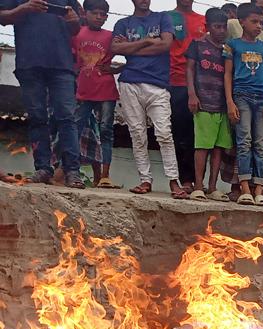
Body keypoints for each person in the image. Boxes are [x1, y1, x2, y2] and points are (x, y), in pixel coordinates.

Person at [0, 0, 84, 188]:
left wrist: (73, 21)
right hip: (29, 63)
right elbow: (2, 17)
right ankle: (43, 168)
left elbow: (76, 28)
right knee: (38, 117)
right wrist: (24, 8)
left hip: (62, 65)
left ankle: (72, 171)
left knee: (67, 118)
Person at [112, 0, 184, 197]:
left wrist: (132, 49)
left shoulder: (162, 17)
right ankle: (145, 180)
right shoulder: (123, 23)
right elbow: (116, 49)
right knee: (137, 133)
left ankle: (173, 181)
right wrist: (146, 42)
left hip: (158, 84)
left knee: (164, 133)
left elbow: (165, 45)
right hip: (129, 82)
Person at [224, 2, 263, 206]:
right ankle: (244, 187)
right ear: (242, 22)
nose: (259, 26)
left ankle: (259, 189)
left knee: (262, 144)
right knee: (244, 141)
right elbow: (228, 75)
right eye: (254, 21)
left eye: (261, 22)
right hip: (242, 96)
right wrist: (230, 102)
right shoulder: (233, 45)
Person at [74, 0, 121, 189]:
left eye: (103, 15)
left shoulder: (111, 36)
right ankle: (70, 171)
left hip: (106, 90)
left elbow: (131, 52)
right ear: (85, 13)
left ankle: (105, 176)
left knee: (106, 132)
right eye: (96, 13)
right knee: (74, 130)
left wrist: (118, 69)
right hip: (83, 91)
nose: (99, 17)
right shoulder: (76, 34)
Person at [186, 6, 230, 201]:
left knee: (219, 147)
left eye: (224, 27)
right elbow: (190, 70)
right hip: (204, 103)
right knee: (202, 146)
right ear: (208, 26)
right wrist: (192, 95)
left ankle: (212, 187)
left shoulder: (228, 50)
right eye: (217, 26)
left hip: (223, 105)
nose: (221, 30)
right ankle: (198, 185)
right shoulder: (197, 45)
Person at [168, 0, 206, 193]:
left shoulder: (204, 20)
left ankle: (195, 181)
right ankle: (179, 179)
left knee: (196, 135)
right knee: (176, 134)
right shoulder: (166, 17)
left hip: (202, 86)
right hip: (173, 81)